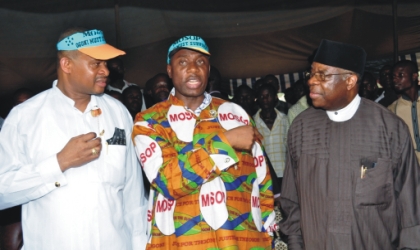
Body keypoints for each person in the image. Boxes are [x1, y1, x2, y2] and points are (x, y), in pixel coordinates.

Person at [0, 27, 147, 249]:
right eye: (96, 63)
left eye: (105, 63)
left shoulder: (118, 113)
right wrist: (59, 162)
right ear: (67, 64)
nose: (105, 71)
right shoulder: (25, 117)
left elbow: (133, 195)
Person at [132, 35, 275, 249]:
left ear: (208, 70)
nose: (193, 68)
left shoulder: (236, 114)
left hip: (240, 241)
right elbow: (168, 181)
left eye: (201, 62)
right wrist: (226, 141)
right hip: (180, 242)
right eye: (183, 62)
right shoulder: (150, 121)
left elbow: (262, 181)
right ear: (170, 71)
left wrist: (267, 235)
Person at [280, 39, 420, 249]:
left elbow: (411, 205)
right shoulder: (301, 129)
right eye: (311, 73)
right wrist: (295, 244)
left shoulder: (390, 128)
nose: (311, 81)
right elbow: (292, 201)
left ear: (350, 81)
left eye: (322, 75)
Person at [0, 88, 34, 250]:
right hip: (12, 195)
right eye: (20, 103)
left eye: (29, 102)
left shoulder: (44, 126)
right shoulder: (8, 127)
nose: (25, 107)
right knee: (12, 242)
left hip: (38, 193)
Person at [253, 83, 289, 193]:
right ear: (257, 100)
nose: (265, 100)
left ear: (275, 98)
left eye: (268, 96)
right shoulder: (252, 123)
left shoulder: (285, 119)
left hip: (285, 173)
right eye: (262, 97)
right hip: (264, 175)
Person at [388, 60, 420, 163]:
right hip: (411, 168)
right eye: (394, 76)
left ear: (414, 76)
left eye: (400, 75)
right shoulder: (392, 109)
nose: (395, 79)